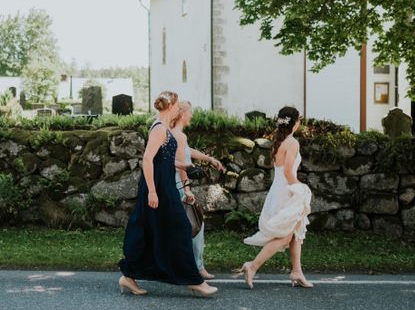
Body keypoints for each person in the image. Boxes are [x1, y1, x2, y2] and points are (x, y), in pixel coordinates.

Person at [118, 91, 218, 297]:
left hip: (165, 187)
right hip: (158, 188)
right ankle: (194, 280)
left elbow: (162, 159)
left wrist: (185, 165)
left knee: (152, 231)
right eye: (177, 104)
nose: (179, 108)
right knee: (180, 227)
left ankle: (128, 276)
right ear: (171, 106)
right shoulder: (159, 129)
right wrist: (152, 192)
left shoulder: (164, 128)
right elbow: (147, 160)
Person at [236, 106, 314, 289]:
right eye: (299, 120)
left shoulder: (278, 141)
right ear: (294, 122)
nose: (300, 123)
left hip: (278, 190)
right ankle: (252, 266)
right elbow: (288, 171)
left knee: (295, 232)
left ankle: (297, 272)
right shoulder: (293, 143)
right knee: (285, 236)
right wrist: (300, 189)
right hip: (287, 191)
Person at [170, 101, 226, 280]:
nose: (192, 115)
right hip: (179, 187)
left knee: (183, 228)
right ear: (182, 114)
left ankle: (184, 266)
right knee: (195, 225)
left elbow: (187, 151)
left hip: (174, 186)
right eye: (190, 112)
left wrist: (209, 158)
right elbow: (182, 166)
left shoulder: (175, 134)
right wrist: (187, 190)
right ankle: (197, 268)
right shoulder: (179, 135)